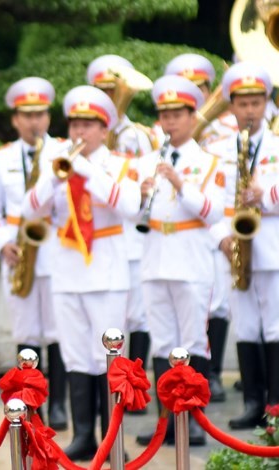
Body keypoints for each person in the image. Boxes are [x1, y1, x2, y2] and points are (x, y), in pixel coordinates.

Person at [22, 85, 140, 460]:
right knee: (75, 357)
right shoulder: (56, 163)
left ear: (104, 130)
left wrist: (86, 171)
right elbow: (30, 210)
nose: (79, 131)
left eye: (88, 124)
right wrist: (54, 178)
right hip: (68, 270)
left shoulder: (119, 163)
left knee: (108, 357)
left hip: (106, 271)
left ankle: (111, 435)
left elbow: (131, 208)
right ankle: (84, 434)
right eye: (75, 123)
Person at [133, 75, 223, 447]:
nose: (169, 122)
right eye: (164, 114)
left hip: (190, 258)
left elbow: (213, 211)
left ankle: (195, 420)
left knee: (192, 341)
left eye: (177, 114)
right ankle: (167, 422)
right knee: (162, 342)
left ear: (192, 116)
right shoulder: (147, 161)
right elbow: (133, 216)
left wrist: (181, 183)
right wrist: (140, 197)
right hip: (155, 257)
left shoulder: (208, 161)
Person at [0, 76, 68, 431]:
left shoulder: (64, 153)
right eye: (26, 115)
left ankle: (60, 404)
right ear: (15, 119)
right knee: (27, 332)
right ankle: (34, 404)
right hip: (19, 254)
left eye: (40, 114)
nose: (34, 121)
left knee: (60, 332)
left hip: (56, 250)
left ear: (48, 117)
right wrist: (3, 243)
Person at [206, 61, 279, 430]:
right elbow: (211, 201)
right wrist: (222, 237)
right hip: (235, 249)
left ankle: (276, 404)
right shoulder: (218, 149)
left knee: (276, 327)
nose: (250, 111)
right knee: (246, 326)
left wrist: (264, 195)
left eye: (256, 102)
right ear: (231, 106)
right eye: (242, 103)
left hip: (272, 247)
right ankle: (253, 401)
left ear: (267, 102)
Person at [163, 52, 233, 403]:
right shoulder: (158, 143)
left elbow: (218, 200)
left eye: (198, 87)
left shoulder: (223, 135)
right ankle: (169, 408)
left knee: (213, 309)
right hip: (169, 242)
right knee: (168, 330)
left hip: (211, 231)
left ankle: (210, 382)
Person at [87, 54, 153, 372]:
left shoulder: (136, 136)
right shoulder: (85, 139)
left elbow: (143, 184)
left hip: (131, 233)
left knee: (137, 313)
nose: (108, 99)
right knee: (111, 319)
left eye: (113, 91)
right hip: (103, 236)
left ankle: (135, 377)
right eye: (101, 91)